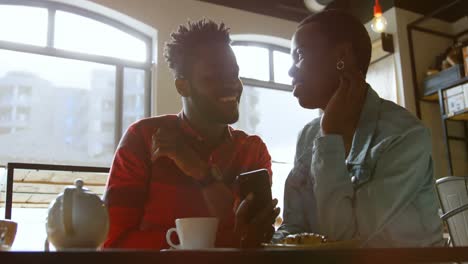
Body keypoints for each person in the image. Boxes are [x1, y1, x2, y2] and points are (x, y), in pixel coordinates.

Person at [103, 19, 279, 249]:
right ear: (182, 86)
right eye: (214, 77)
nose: (232, 85)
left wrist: (200, 171)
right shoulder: (143, 138)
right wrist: (229, 240)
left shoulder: (252, 151)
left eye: (234, 74)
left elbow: (258, 238)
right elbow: (113, 243)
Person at [275, 9, 444, 247]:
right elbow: (295, 229)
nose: (291, 71)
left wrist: (331, 136)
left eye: (300, 55)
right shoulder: (307, 135)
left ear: (342, 56)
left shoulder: (404, 135)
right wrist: (259, 240)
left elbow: (346, 239)